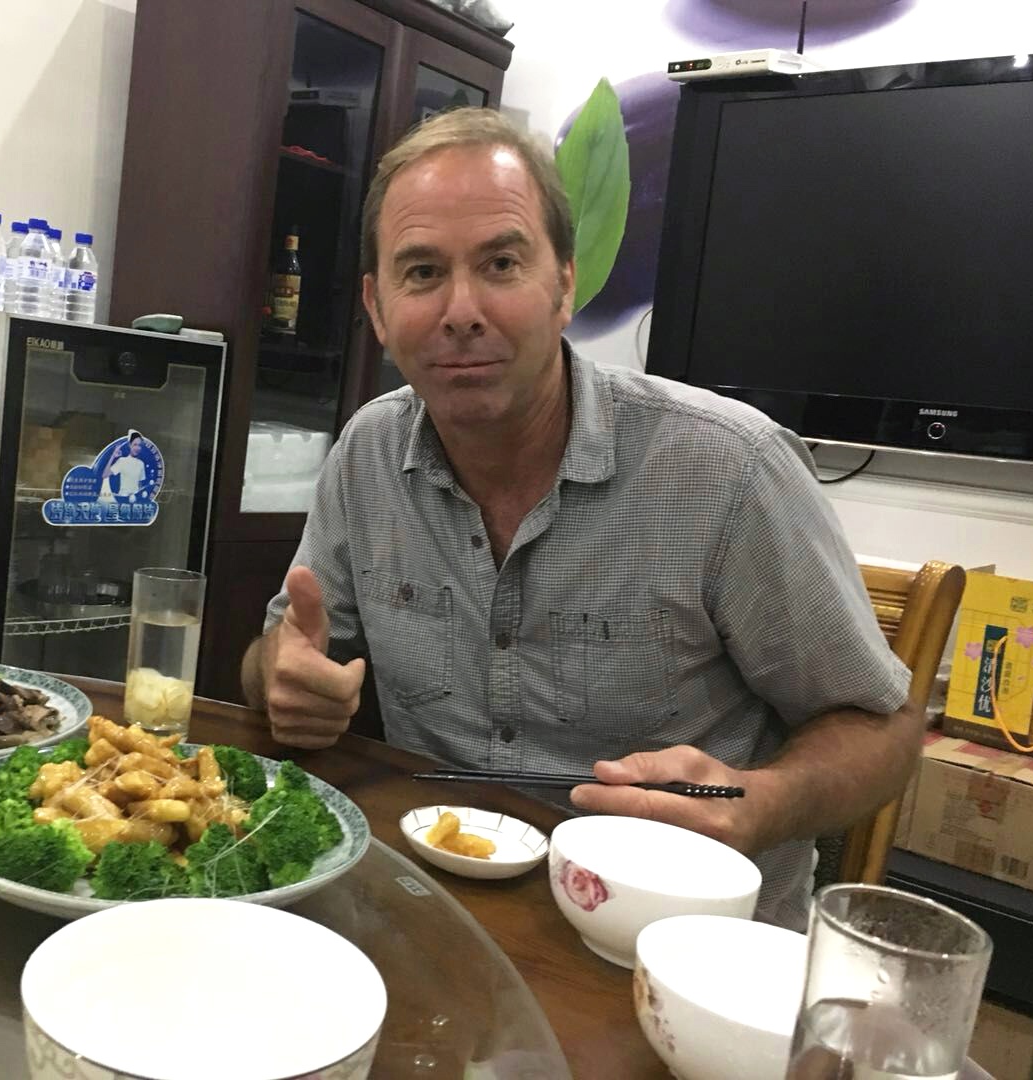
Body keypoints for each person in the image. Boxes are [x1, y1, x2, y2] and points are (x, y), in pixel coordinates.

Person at [239, 108, 919, 929]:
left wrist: (761, 802)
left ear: (564, 283)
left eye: (500, 262)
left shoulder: (727, 468)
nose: (461, 309)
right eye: (421, 273)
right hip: (441, 912)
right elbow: (282, 658)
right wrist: (282, 681)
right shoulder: (367, 456)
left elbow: (886, 732)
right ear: (379, 310)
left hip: (674, 945)